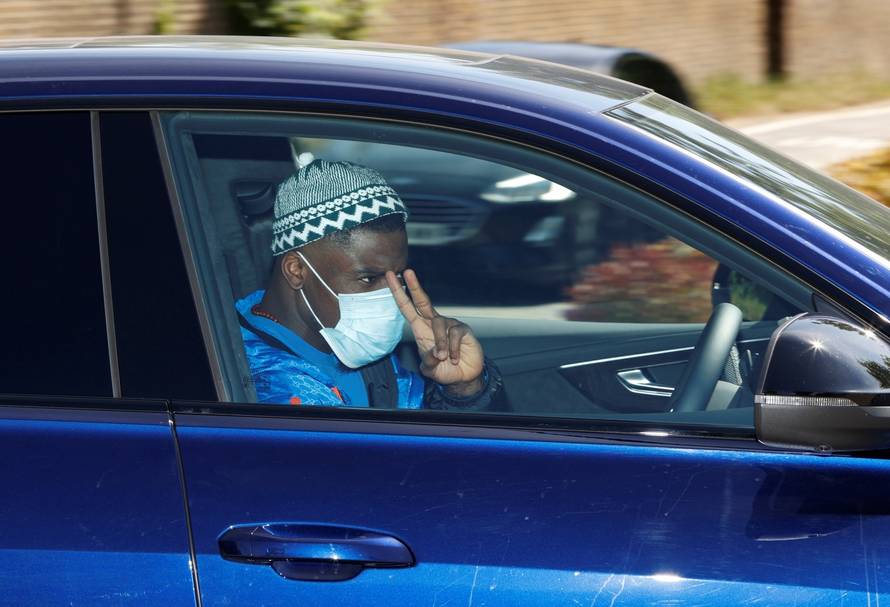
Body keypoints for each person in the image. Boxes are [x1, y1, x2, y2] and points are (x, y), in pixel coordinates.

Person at [236, 159, 502, 409]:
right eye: (369, 278)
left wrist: (462, 387)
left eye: (396, 277)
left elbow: (415, 423)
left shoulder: (347, 344)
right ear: (297, 270)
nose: (391, 297)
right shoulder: (260, 380)